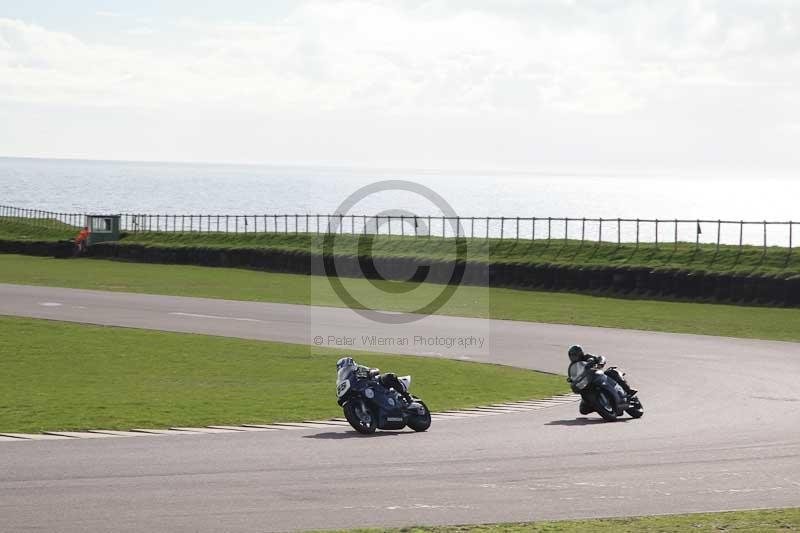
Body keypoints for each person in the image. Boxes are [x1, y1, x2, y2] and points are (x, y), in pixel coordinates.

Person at [567, 345, 637, 397]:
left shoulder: (587, 357)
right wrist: (571, 380)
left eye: (575, 355)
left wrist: (600, 362)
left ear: (580, 353)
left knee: (612, 372)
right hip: (587, 383)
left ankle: (628, 390)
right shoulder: (572, 366)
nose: (573, 357)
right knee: (583, 410)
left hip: (596, 375)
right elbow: (572, 376)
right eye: (572, 356)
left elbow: (600, 358)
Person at [336, 357, 413, 403]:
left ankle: (407, 396)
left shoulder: (359, 368)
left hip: (376, 384)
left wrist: (371, 372)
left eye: (347, 368)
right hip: (363, 391)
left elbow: (374, 370)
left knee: (389, 376)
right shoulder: (345, 379)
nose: (346, 371)